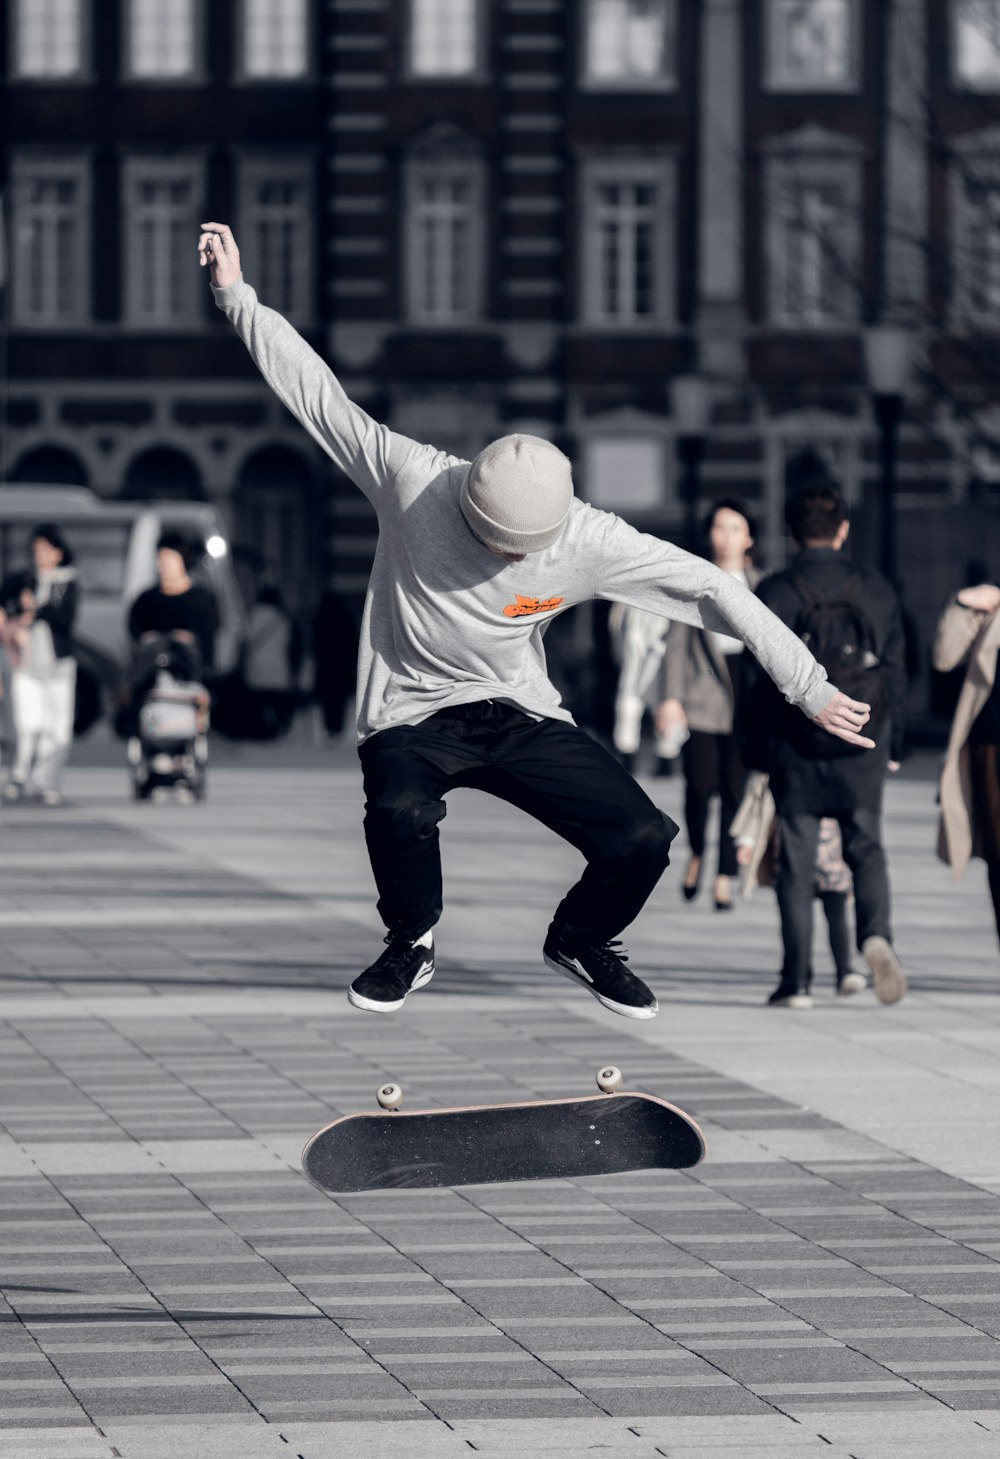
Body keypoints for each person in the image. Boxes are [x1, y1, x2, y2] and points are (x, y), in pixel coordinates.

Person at [198, 220, 875, 1020]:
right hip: (412, 711)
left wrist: (808, 683)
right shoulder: (412, 478)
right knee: (398, 810)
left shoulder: (589, 536)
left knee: (644, 837)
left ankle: (583, 938)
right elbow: (316, 394)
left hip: (518, 711)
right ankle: (410, 939)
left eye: (518, 553)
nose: (502, 560)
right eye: (488, 542)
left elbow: (714, 589)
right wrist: (236, 296)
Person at [743, 480, 908, 1008]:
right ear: (843, 529)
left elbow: (756, 680)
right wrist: (893, 740)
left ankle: (797, 981)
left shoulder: (776, 590)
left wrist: (760, 754)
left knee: (796, 860)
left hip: (798, 744)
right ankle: (875, 935)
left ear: (791, 533)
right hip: (864, 740)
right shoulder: (877, 588)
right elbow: (900, 674)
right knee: (866, 846)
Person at [656, 500, 760, 910]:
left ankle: (725, 874)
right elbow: (676, 645)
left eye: (736, 528)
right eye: (719, 527)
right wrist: (671, 698)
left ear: (748, 537)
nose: (726, 536)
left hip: (746, 696)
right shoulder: (695, 579)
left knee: (736, 789)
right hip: (702, 693)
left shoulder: (761, 583)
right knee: (699, 786)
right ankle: (698, 852)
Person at [731, 772, 867, 1001]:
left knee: (795, 912)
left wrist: (746, 840)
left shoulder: (782, 753)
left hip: (794, 849)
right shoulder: (841, 760)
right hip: (832, 854)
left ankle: (797, 981)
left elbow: (758, 799)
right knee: (836, 913)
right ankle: (844, 970)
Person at [933, 580, 1000, 949]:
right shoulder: (989, 608)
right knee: (997, 856)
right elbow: (944, 657)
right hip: (990, 750)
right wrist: (960, 604)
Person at [1, 523, 79, 807]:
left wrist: (37, 609)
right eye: (37, 550)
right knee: (26, 724)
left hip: (58, 664)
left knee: (56, 727)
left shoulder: (68, 582)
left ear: (59, 552)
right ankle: (20, 775)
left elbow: (66, 617)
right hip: (26, 662)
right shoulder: (24, 578)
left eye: (47, 550)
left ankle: (48, 781)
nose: (41, 555)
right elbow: (3, 600)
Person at [128, 532, 219, 672]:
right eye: (160, 560)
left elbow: (208, 638)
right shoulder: (146, 598)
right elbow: (134, 629)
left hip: (189, 672)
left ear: (183, 560)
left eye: (169, 560)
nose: (164, 566)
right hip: (152, 670)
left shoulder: (201, 599)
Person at [242, 582, 302, 738]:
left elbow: (245, 641)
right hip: (279, 667)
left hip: (257, 666)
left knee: (259, 701)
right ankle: (276, 727)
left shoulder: (253, 615)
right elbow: (292, 645)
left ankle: (263, 728)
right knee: (276, 701)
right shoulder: (283, 618)